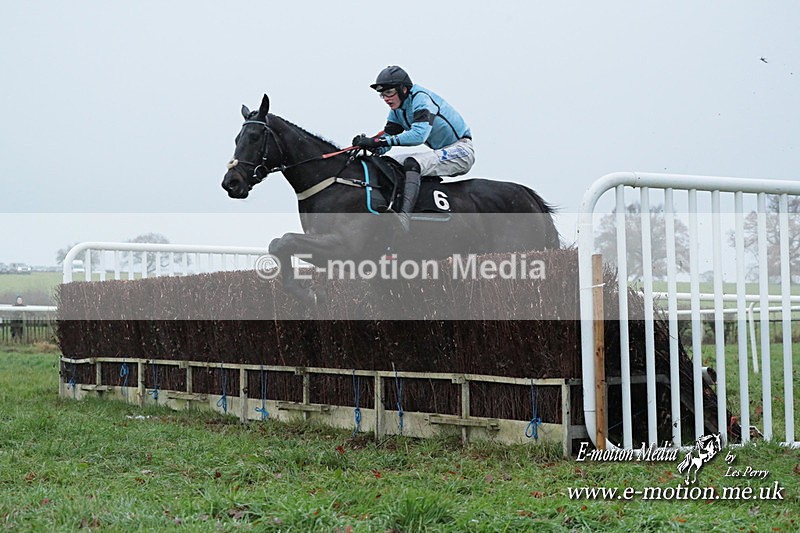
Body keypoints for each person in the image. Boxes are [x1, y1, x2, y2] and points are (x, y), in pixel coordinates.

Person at [352, 66, 474, 232]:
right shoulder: (396, 111)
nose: (386, 99)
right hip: (439, 152)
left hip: (461, 151)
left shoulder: (421, 99)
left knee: (412, 162)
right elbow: (386, 142)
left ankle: (403, 218)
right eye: (382, 95)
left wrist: (377, 142)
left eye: (389, 93)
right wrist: (366, 146)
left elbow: (418, 136)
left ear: (403, 89)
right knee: (387, 163)